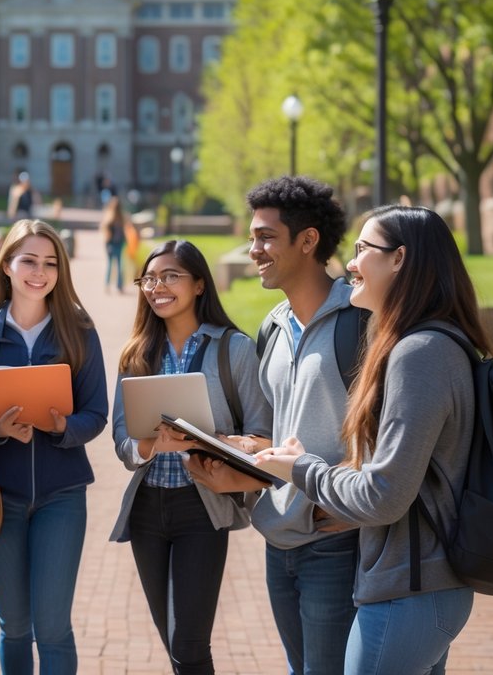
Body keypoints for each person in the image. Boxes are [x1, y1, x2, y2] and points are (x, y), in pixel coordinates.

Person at [257, 206, 486, 674]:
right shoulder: (420, 344)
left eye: (363, 250)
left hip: (413, 587)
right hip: (413, 583)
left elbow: (382, 495)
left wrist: (301, 469)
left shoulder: (420, 353)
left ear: (399, 259)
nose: (351, 263)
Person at [186, 175, 361, 675]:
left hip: (334, 540)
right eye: (252, 236)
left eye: (265, 237)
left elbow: (391, 430)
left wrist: (361, 510)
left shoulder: (361, 320)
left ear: (308, 241)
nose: (253, 249)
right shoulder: (273, 326)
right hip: (277, 536)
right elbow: (282, 433)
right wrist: (237, 451)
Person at [109, 239, 272, 674]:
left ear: (199, 284)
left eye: (170, 276)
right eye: (149, 278)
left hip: (201, 508)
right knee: (173, 640)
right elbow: (123, 441)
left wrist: (217, 442)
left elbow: (261, 434)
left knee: (189, 642)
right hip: (147, 510)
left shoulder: (233, 349)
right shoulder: (136, 352)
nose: (156, 286)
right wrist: (149, 446)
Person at [0, 219, 109, 674]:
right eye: (28, 261)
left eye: (50, 263)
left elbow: (96, 414)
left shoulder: (77, 332)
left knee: (53, 626)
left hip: (62, 497)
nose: (39, 272)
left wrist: (64, 427)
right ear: (6, 265)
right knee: (15, 626)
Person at [100, 196, 129, 294]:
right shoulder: (110, 218)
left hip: (119, 244)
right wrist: (108, 245)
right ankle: (108, 284)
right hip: (112, 244)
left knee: (119, 265)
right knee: (111, 265)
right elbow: (106, 234)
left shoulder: (121, 217)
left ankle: (119, 285)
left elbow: (124, 232)